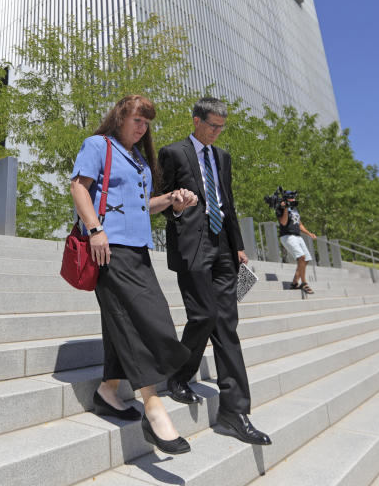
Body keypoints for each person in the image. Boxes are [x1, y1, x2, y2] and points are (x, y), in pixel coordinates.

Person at [70, 94, 199, 455]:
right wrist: (95, 229)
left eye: (147, 122)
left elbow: (142, 205)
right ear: (120, 117)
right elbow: (79, 187)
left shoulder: (140, 160)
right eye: (137, 120)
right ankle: (154, 407)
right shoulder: (98, 145)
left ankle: (108, 390)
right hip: (108, 247)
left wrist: (172, 198)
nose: (142, 127)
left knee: (123, 320)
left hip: (137, 248)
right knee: (145, 318)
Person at [158, 97, 273, 446]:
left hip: (223, 244)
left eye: (222, 127)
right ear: (196, 121)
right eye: (212, 126)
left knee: (226, 324)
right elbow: (159, 199)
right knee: (204, 314)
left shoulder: (222, 158)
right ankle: (179, 373)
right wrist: (176, 207)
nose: (217, 132)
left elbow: (227, 201)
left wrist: (237, 246)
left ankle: (234, 412)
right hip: (192, 243)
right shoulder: (172, 153)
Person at [277, 191, 317, 294]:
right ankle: (304, 283)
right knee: (301, 257)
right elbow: (283, 222)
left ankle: (295, 282)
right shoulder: (280, 208)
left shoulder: (295, 209)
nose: (294, 200)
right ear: (286, 199)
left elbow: (299, 224)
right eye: (291, 198)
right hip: (287, 236)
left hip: (298, 236)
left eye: (294, 198)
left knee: (307, 259)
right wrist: (285, 208)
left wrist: (309, 233)